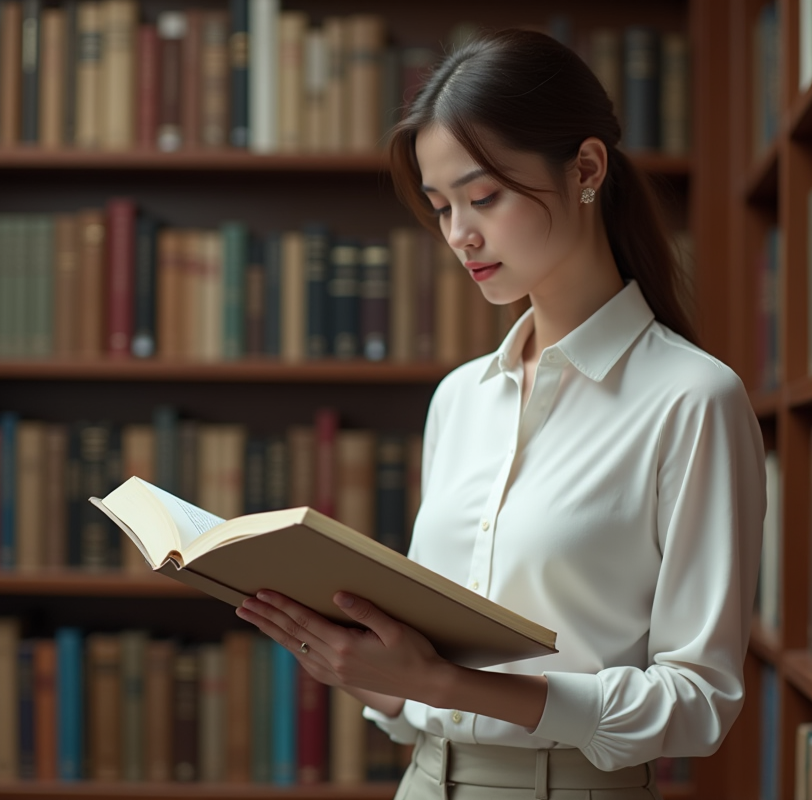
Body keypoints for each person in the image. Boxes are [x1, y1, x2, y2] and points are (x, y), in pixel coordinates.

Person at [235, 28, 766, 800]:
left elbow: (698, 702)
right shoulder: (460, 399)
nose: (459, 234)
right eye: (441, 205)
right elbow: (428, 684)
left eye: (484, 197)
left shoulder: (692, 400)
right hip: (424, 781)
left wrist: (449, 686)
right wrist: (372, 676)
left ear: (585, 169)